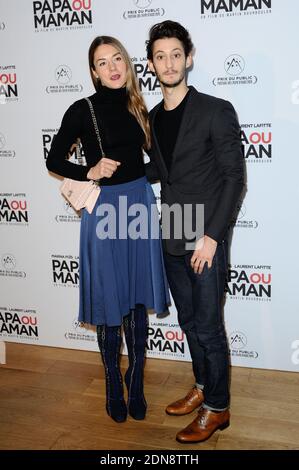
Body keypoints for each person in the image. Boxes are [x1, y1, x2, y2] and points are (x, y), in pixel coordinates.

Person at [46, 35, 170, 423]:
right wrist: (89, 170)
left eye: (118, 58)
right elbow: (53, 159)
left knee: (135, 297)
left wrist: (142, 176)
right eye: (103, 62)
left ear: (128, 64)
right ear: (94, 72)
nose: (113, 67)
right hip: (103, 211)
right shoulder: (82, 110)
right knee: (109, 299)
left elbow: (156, 164)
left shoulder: (138, 107)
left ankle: (136, 382)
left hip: (138, 205)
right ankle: (113, 383)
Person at [145, 21, 245, 442]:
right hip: (173, 230)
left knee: (207, 325)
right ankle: (204, 387)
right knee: (188, 322)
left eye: (175, 54)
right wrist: (104, 172)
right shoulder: (150, 117)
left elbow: (234, 178)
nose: (168, 63)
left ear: (189, 58)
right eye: (160, 56)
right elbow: (158, 172)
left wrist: (213, 237)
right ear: (151, 64)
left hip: (205, 235)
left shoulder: (215, 109)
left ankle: (218, 409)